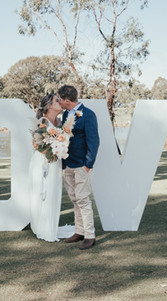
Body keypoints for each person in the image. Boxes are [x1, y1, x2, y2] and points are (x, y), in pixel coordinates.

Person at [58, 85, 100, 250]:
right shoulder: (64, 114)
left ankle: (90, 235)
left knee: (83, 200)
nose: (59, 102)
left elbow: (94, 142)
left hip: (81, 166)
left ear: (67, 100)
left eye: (60, 99)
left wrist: (87, 165)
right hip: (67, 164)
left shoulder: (88, 115)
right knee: (75, 200)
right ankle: (79, 232)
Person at [29, 93, 64, 242]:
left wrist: (61, 148)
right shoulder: (42, 122)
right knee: (42, 193)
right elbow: (36, 144)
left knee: (53, 191)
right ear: (49, 105)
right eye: (57, 100)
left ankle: (51, 226)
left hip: (55, 162)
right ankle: (41, 227)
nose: (60, 102)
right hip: (42, 162)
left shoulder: (60, 122)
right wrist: (51, 152)